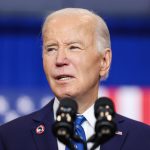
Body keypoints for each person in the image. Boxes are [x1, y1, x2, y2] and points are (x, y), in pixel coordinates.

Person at [0, 8, 150, 150]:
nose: (60, 60)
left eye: (73, 47)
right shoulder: (10, 138)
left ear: (104, 61)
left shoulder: (142, 139)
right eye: (51, 49)